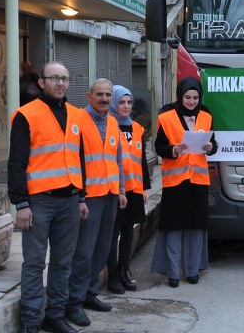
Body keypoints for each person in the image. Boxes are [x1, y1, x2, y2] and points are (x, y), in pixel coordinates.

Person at [8, 61, 87, 333]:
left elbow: (79, 159)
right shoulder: (26, 115)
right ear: (42, 82)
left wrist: (82, 197)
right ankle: (30, 320)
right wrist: (21, 204)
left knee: (63, 262)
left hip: (70, 199)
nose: (60, 83)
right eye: (54, 78)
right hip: (38, 201)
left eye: (64, 79)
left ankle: (55, 315)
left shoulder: (76, 115)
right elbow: (16, 163)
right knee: (34, 262)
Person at [65, 78, 127, 329]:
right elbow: (72, 158)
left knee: (102, 249)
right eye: (99, 94)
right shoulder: (78, 119)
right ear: (89, 96)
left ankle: (90, 293)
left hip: (111, 195)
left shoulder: (113, 122)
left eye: (108, 95)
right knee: (84, 251)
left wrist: (122, 190)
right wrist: (78, 194)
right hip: (89, 196)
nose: (104, 99)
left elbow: (118, 160)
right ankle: (73, 302)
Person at [151, 77, 217, 288]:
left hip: (198, 181)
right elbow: (159, 146)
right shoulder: (167, 117)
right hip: (175, 181)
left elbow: (213, 144)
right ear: (180, 96)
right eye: (187, 97)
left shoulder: (207, 116)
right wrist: (173, 150)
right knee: (174, 226)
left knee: (196, 226)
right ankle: (172, 273)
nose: (191, 101)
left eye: (195, 97)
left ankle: (192, 270)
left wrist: (210, 148)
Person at [106, 85, 151, 294]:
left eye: (129, 102)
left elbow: (141, 161)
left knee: (127, 232)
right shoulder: (107, 126)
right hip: (115, 189)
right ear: (114, 103)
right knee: (113, 233)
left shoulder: (137, 129)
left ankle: (124, 271)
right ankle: (112, 275)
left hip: (133, 190)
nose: (126, 106)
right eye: (121, 102)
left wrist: (144, 188)